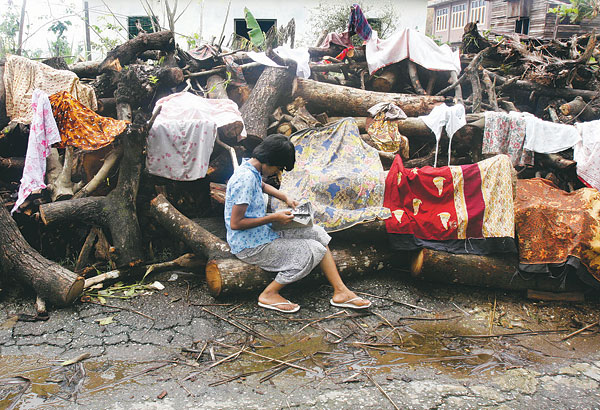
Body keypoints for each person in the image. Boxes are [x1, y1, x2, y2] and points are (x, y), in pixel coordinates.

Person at [224, 134, 371, 313]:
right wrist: (274, 218)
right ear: (269, 161)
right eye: (278, 168)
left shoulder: (251, 168)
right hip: (250, 245)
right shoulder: (245, 179)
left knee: (316, 232)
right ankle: (269, 293)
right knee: (313, 249)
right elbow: (236, 223)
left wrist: (285, 196)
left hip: (263, 233)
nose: (277, 173)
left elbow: (261, 186)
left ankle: (341, 291)